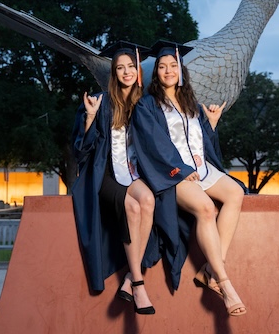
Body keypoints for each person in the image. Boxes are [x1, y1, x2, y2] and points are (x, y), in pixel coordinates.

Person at [131, 40, 247, 316]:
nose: (168, 70)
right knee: (206, 209)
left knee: (236, 194)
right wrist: (180, 170)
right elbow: (153, 144)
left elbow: (201, 139)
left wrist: (213, 123)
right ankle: (225, 283)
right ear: (156, 72)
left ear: (181, 70)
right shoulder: (148, 105)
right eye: (162, 66)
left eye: (173, 65)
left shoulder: (191, 102)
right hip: (173, 175)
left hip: (202, 169)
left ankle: (208, 270)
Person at [71, 40, 156, 315]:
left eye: (131, 66)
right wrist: (90, 117)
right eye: (120, 68)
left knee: (148, 201)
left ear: (138, 70)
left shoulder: (146, 103)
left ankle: (129, 278)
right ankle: (139, 283)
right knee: (131, 206)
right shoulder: (102, 102)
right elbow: (81, 149)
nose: (126, 71)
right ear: (114, 73)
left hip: (135, 173)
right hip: (106, 174)